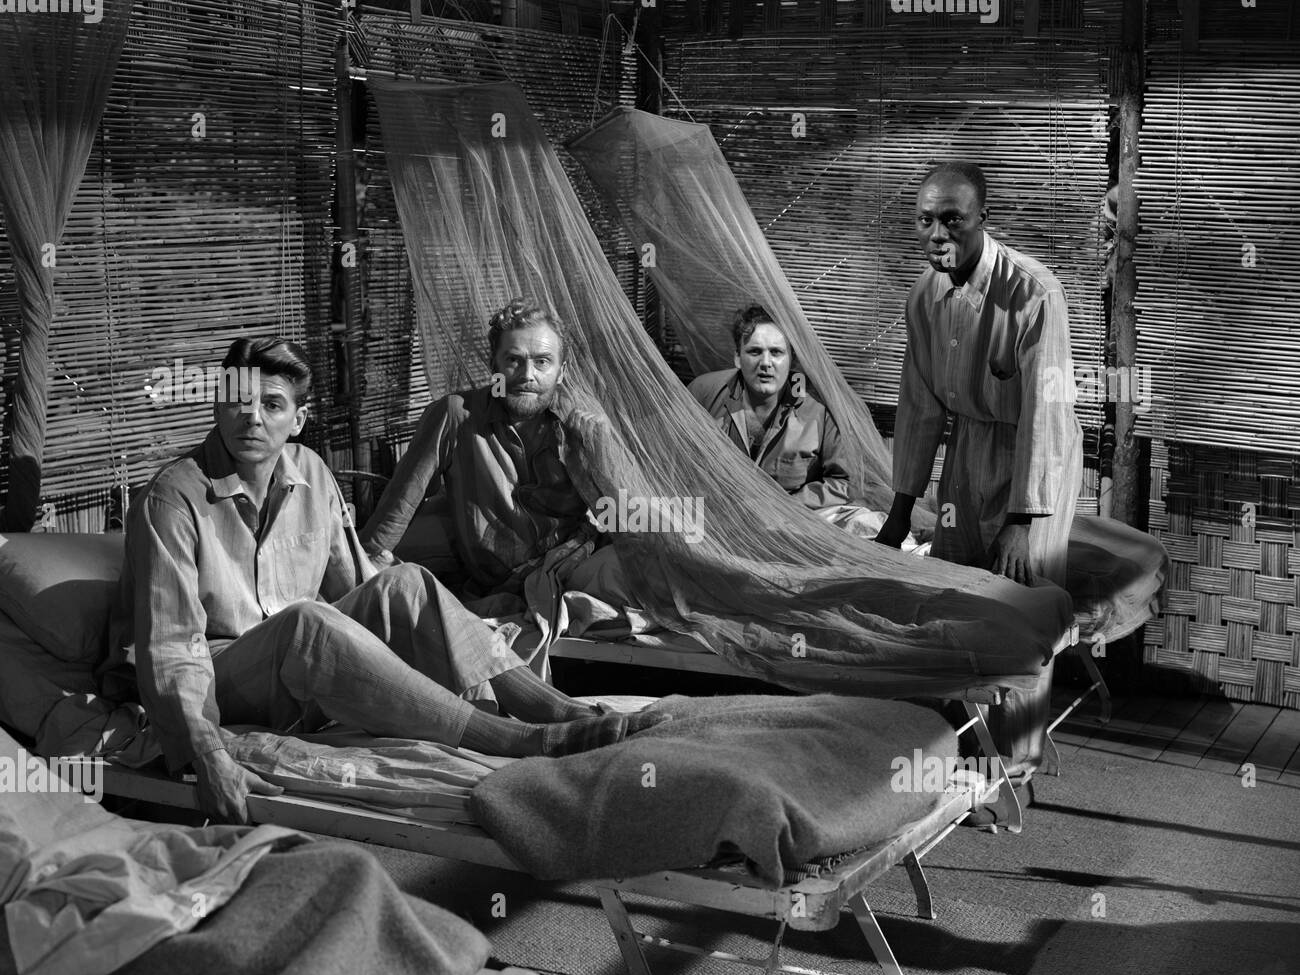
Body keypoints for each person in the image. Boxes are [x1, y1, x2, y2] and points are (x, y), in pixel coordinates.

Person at [100, 337, 661, 824]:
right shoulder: (172, 497)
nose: (253, 419)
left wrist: (427, 623)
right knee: (307, 621)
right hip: (219, 674)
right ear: (219, 408)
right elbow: (172, 647)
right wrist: (204, 748)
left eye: (272, 405)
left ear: (297, 419)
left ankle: (557, 710)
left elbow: (359, 590)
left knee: (406, 581)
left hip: (293, 668)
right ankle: (519, 741)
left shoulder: (312, 473)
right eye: (238, 403)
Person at [875, 161, 1083, 789]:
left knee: (1018, 607)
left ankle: (1014, 763)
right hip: (968, 450)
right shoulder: (923, 297)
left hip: (1031, 457)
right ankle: (958, 740)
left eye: (952, 221)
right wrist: (899, 510)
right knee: (958, 586)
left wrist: (1023, 519)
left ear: (982, 219)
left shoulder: (1033, 292)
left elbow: (1048, 411)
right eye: (925, 220)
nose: (937, 234)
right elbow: (917, 406)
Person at [361, 299, 609, 600]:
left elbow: (618, 516)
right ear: (494, 365)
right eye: (514, 360)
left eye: (542, 362)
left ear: (561, 371)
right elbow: (398, 509)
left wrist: (600, 455)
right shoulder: (456, 416)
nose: (527, 375)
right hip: (502, 583)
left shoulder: (579, 425)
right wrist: (363, 573)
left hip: (572, 567)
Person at [687, 304, 851, 510]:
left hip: (792, 523)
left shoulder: (819, 408)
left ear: (792, 360)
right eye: (755, 351)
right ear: (738, 357)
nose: (766, 363)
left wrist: (783, 507)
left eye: (776, 352)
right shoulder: (702, 393)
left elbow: (844, 483)